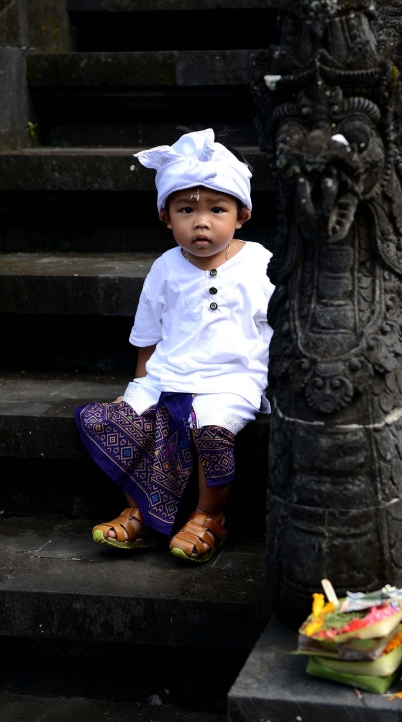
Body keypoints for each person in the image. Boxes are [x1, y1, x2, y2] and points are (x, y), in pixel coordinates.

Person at [75, 129, 274, 562]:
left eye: (216, 209)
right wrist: (139, 386)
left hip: (232, 381)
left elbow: (277, 325)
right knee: (118, 419)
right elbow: (148, 338)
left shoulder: (259, 263)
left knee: (212, 432)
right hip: (169, 374)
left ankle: (209, 516)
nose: (201, 222)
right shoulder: (165, 268)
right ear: (167, 217)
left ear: (242, 214)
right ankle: (141, 510)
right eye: (186, 210)